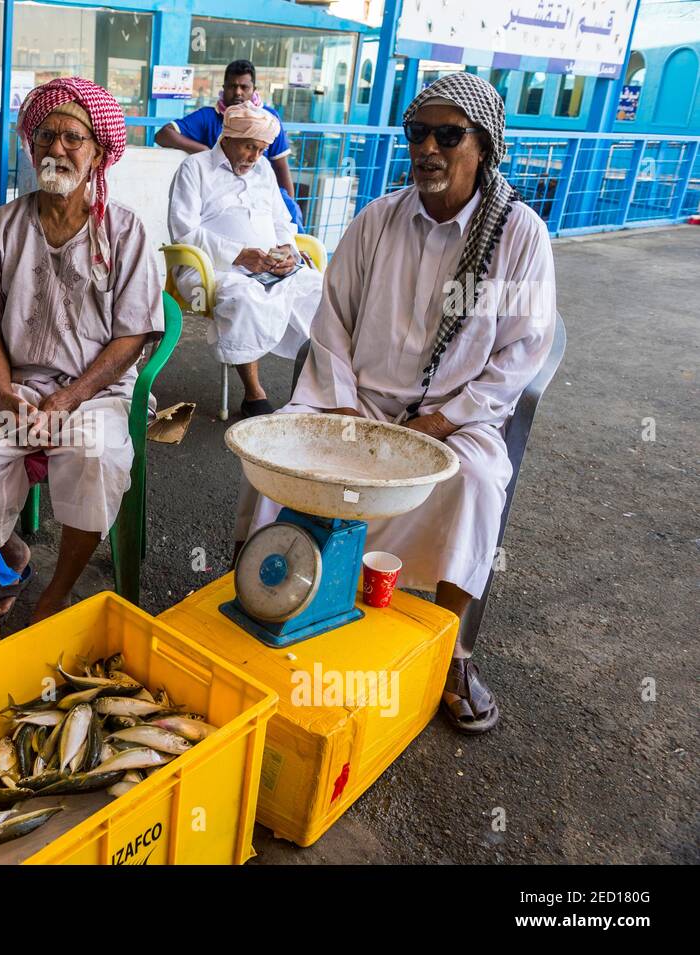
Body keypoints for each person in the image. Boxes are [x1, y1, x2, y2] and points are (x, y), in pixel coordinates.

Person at [233, 72, 558, 733]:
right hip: (355, 406)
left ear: (485, 146)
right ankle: (268, 598)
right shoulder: (376, 219)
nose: (428, 149)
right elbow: (332, 326)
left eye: (448, 135)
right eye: (418, 133)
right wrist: (346, 411)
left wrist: (444, 419)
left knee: (477, 482)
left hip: (454, 419)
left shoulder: (520, 236)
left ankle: (455, 648)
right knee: (276, 449)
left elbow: (521, 355)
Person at [0, 77, 163, 623]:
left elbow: (132, 336)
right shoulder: (1, 226)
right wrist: (3, 392)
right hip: (13, 384)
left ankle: (58, 591)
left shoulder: (125, 232)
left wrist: (70, 398)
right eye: (45, 135)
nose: (56, 149)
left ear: (99, 153)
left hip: (93, 391)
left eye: (72, 138)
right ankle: (9, 555)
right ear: (30, 145)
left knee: (97, 458)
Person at [168, 103, 323, 417]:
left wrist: (285, 251)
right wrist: (238, 255)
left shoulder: (263, 169)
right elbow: (182, 231)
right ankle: (254, 392)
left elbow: (281, 220)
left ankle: (309, 391)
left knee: (319, 292)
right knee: (244, 298)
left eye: (263, 149)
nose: (255, 157)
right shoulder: (195, 168)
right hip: (214, 266)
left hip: (268, 265)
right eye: (250, 147)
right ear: (228, 137)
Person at [156, 59, 302, 226]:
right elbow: (163, 135)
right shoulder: (208, 117)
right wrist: (205, 151)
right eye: (232, 86)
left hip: (262, 198)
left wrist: (290, 207)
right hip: (222, 200)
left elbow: (281, 166)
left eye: (244, 87)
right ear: (224, 88)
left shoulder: (267, 119)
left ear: (253, 89)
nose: (238, 92)